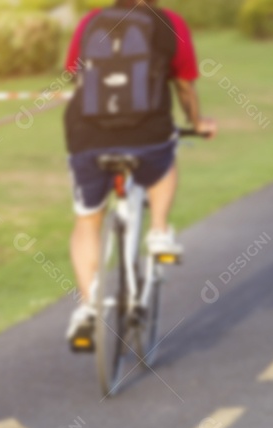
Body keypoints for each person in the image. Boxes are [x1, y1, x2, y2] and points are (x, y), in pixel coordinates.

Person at [61, 0, 217, 350]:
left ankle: (89, 305)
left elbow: (75, 74)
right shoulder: (169, 23)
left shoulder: (90, 22)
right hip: (148, 135)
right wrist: (198, 123)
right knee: (167, 156)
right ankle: (159, 232)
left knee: (87, 222)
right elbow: (185, 86)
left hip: (88, 137)